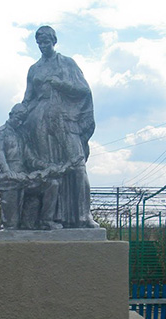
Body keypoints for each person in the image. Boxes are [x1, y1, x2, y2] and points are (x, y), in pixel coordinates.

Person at [22, 25, 98, 228]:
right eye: (39, 43)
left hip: (65, 120)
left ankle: (83, 216)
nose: (43, 46)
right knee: (49, 170)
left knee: (77, 166)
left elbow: (84, 90)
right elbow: (28, 99)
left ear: (54, 42)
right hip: (39, 122)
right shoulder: (34, 69)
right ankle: (49, 218)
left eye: (46, 42)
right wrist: (16, 118)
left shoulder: (67, 63)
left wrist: (61, 84)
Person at [0, 103, 61, 230]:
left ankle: (46, 221)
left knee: (52, 184)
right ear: (11, 115)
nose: (19, 122)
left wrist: (46, 166)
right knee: (11, 225)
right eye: (17, 118)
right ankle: (12, 223)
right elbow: (0, 155)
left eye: (22, 120)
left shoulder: (22, 135)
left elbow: (30, 158)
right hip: (10, 179)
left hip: (26, 177)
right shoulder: (0, 132)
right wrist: (8, 171)